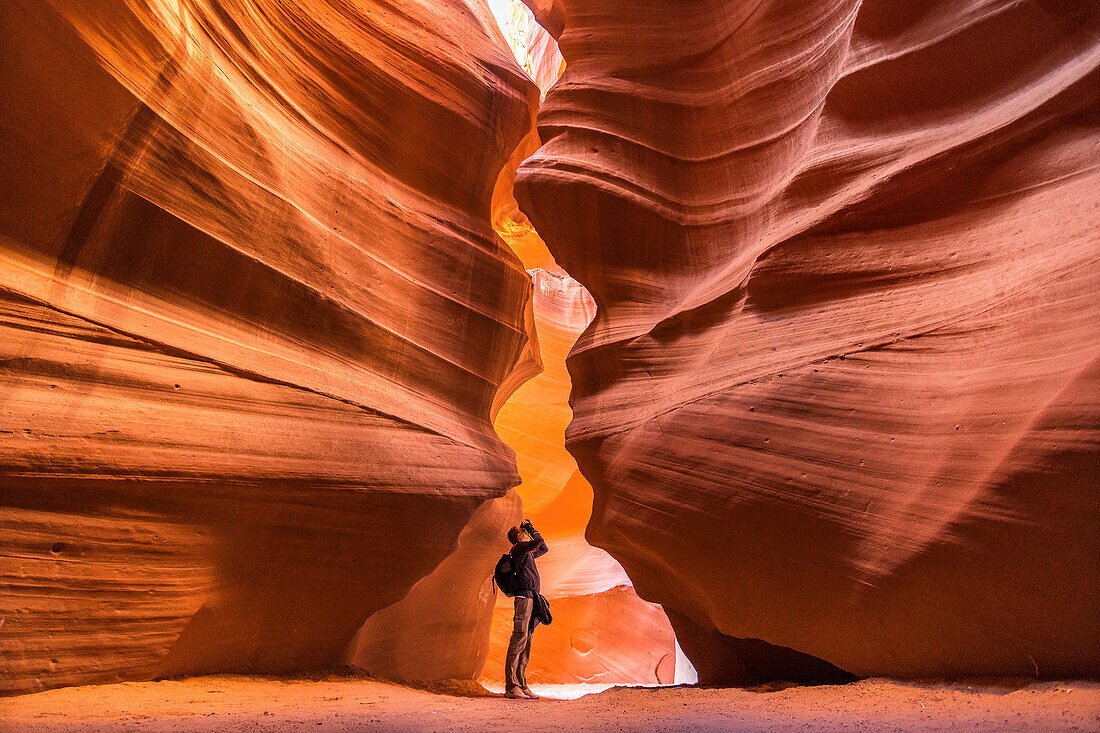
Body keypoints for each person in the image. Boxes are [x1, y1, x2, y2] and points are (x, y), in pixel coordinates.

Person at [504, 518, 548, 699]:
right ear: (519, 536)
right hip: (524, 598)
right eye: (522, 532)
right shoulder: (519, 548)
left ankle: (522, 684)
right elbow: (537, 542)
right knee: (519, 637)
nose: (525, 534)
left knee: (527, 639)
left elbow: (543, 548)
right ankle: (511, 686)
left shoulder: (526, 553)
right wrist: (531, 528)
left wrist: (529, 531)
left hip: (531, 597)